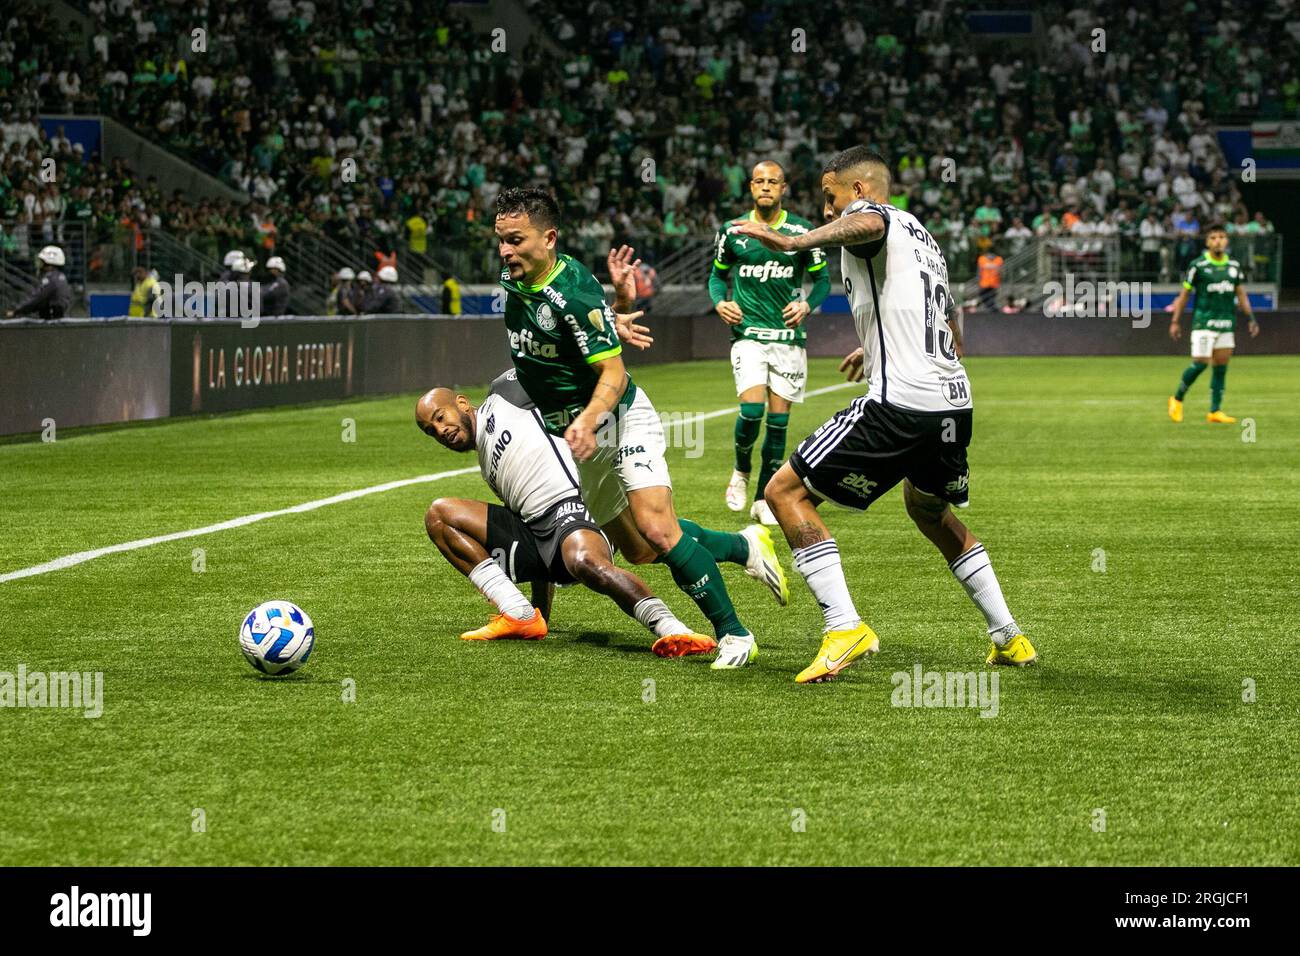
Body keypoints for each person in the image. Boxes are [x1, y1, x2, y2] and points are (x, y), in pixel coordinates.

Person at [730, 145, 1036, 684]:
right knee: (930, 513)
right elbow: (947, 323)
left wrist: (794, 240)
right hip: (952, 402)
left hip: (902, 403)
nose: (828, 211)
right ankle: (1009, 636)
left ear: (859, 190)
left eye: (831, 199)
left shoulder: (872, 215)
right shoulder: (925, 236)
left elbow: (864, 224)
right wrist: (878, 347)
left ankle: (844, 626)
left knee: (783, 493)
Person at [493, 186, 783, 669]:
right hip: (582, 435)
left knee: (656, 525)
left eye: (516, 240)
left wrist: (587, 418)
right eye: (501, 240)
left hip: (619, 419)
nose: (505, 251)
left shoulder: (572, 290)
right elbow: (576, 326)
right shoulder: (514, 275)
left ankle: (734, 633)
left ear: (549, 238)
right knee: (640, 550)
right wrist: (614, 313)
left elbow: (614, 373)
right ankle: (743, 544)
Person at [416, 373, 720, 658]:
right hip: (540, 532)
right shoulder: (487, 461)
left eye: (440, 417)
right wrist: (539, 612)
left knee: (591, 560)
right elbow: (527, 523)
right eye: (431, 431)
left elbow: (555, 358)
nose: (440, 431)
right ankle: (517, 613)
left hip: (576, 505)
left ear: (462, 403)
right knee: (440, 514)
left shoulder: (505, 392)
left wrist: (608, 324)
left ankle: (672, 628)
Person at [710, 160, 830, 526]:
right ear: (750, 187)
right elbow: (716, 278)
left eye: (773, 182)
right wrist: (720, 301)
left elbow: (822, 280)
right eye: (759, 181)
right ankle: (741, 471)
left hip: (789, 340)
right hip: (748, 335)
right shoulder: (732, 232)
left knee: (778, 423)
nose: (766, 187)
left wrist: (807, 303)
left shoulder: (802, 231)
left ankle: (764, 498)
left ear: (783, 188)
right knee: (752, 412)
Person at [1167, 224, 1259, 424]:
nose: (1218, 240)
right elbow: (1184, 295)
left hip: (1226, 322)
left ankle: (1215, 411)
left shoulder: (1233, 267)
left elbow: (1241, 294)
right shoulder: (1198, 266)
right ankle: (1177, 399)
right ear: (1207, 242)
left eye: (1221, 237)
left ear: (1226, 241)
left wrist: (1251, 318)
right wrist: (1175, 321)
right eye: (1214, 237)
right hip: (1204, 322)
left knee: (1221, 365)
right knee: (1200, 362)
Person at [6, 246, 72, 320]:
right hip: (57, 318)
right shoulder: (60, 276)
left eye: (42, 261)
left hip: (52, 320)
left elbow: (36, 299)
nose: (40, 264)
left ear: (48, 263)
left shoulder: (50, 279)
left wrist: (16, 311)